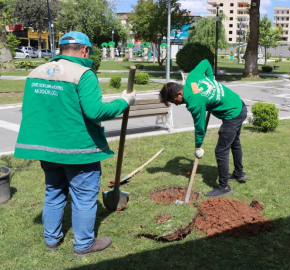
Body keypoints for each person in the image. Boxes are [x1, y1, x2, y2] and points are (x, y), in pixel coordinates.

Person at [14, 31, 137, 257]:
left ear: (60, 49)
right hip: (78, 150)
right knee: (83, 198)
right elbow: (95, 111)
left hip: (47, 148)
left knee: (53, 192)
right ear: (84, 50)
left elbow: (33, 111)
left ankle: (51, 240)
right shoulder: (83, 73)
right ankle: (84, 245)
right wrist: (124, 101)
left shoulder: (36, 72)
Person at [159, 59, 248, 198]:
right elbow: (206, 63)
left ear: (179, 94)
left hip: (233, 113)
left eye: (173, 102)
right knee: (234, 142)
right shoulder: (192, 77)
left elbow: (199, 127)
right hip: (238, 104)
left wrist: (198, 147)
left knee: (221, 150)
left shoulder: (194, 102)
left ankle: (224, 186)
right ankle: (239, 173)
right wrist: (210, 79)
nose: (175, 105)